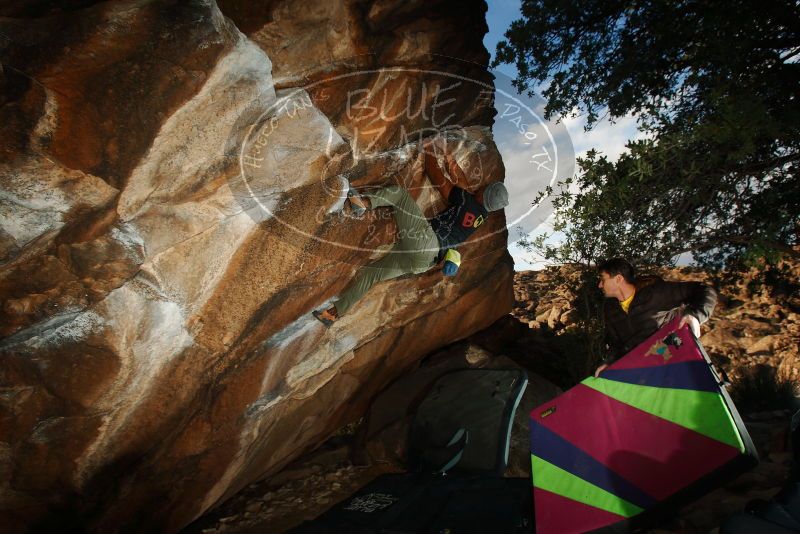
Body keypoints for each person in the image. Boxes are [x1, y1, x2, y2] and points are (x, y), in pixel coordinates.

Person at [313, 139, 509, 326]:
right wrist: (448, 155)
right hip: (423, 262)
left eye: (485, 187)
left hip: (426, 242)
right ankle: (332, 315)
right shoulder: (480, 216)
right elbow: (463, 184)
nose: (482, 185)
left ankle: (362, 204)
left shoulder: (468, 201)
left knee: (399, 195)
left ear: (485, 194)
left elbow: (436, 176)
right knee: (373, 273)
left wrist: (429, 148)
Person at [594, 257, 718, 377]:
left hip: (674, 367)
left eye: (603, 279)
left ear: (618, 279)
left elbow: (705, 291)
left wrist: (695, 316)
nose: (600, 285)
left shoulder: (656, 293)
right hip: (643, 374)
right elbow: (617, 344)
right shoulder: (609, 309)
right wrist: (609, 362)